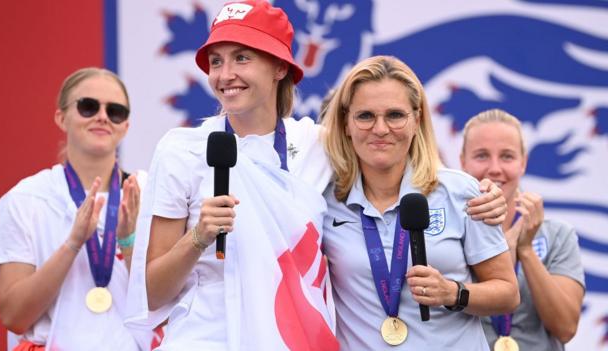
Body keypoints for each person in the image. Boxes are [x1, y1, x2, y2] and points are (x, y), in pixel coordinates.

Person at [124, 2, 507, 350]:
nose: (225, 75)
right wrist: (197, 238)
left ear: (279, 67)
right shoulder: (180, 151)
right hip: (206, 340)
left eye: (241, 58)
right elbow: (153, 294)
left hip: (292, 339)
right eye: (217, 61)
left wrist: (485, 190)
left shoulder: (319, 145)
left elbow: (390, 148)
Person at [320, 55, 520, 350]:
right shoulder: (323, 199)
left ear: (416, 119)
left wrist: (453, 293)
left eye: (395, 115)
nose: (380, 129)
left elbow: (507, 294)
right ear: (346, 123)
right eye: (365, 116)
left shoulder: (459, 191)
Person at [0, 68, 153, 350]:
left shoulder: (150, 194)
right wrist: (73, 244)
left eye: (115, 111)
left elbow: (164, 303)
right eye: (88, 106)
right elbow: (14, 316)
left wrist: (128, 241)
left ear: (126, 126)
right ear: (61, 118)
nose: (102, 116)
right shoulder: (25, 200)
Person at [460, 109, 585, 351]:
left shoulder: (557, 235)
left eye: (507, 156)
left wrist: (525, 250)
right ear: (463, 161)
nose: (495, 169)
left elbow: (566, 328)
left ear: (523, 163)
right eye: (482, 155)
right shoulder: (448, 234)